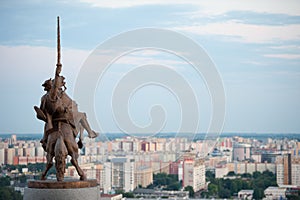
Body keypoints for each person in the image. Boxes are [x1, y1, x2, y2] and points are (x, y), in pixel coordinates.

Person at [35, 77, 98, 150]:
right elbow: (68, 103)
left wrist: (47, 116)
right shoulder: (58, 94)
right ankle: (90, 133)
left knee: (47, 125)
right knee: (82, 115)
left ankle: (44, 138)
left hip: (52, 118)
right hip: (63, 115)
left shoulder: (43, 97)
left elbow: (42, 110)